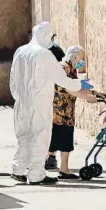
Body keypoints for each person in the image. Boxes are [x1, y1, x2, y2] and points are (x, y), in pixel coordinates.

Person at [9, 21, 94, 185]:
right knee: (40, 136)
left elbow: (13, 79)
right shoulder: (44, 54)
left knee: (24, 136)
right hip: (39, 103)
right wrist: (79, 85)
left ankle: (18, 169)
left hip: (21, 103)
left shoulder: (20, 52)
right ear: (46, 35)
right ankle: (36, 174)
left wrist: (18, 97)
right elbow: (61, 79)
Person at [44, 45, 97, 178]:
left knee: (62, 139)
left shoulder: (71, 69)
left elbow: (77, 85)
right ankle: (64, 169)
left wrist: (94, 92)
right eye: (80, 58)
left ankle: (63, 168)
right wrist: (86, 97)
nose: (82, 62)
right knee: (64, 138)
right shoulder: (63, 68)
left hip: (65, 111)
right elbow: (68, 88)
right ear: (73, 57)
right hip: (60, 112)